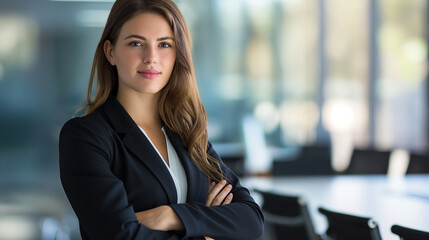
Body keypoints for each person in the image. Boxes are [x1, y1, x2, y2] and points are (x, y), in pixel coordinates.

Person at [58, 0, 264, 239]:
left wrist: (168, 216)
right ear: (110, 52)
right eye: (136, 43)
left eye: (164, 44)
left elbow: (251, 220)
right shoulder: (86, 136)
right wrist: (206, 230)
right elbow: (118, 235)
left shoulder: (187, 133)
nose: (151, 57)